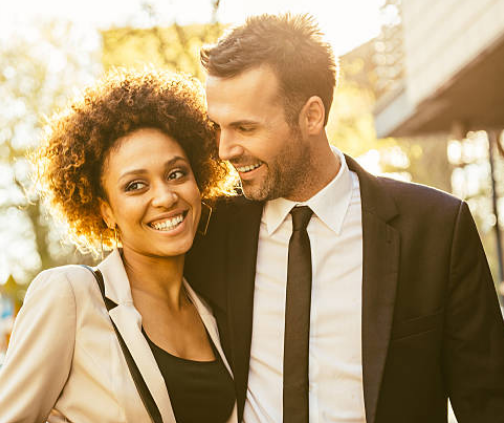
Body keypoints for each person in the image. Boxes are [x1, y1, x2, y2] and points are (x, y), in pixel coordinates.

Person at [185, 13, 504, 423]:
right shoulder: (211, 229)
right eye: (219, 127)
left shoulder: (437, 229)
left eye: (245, 128)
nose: (226, 149)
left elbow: (489, 404)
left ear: (312, 116)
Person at [0, 69, 238, 423]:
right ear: (104, 211)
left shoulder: (213, 309)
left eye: (176, 173)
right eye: (135, 186)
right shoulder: (71, 295)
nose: (165, 196)